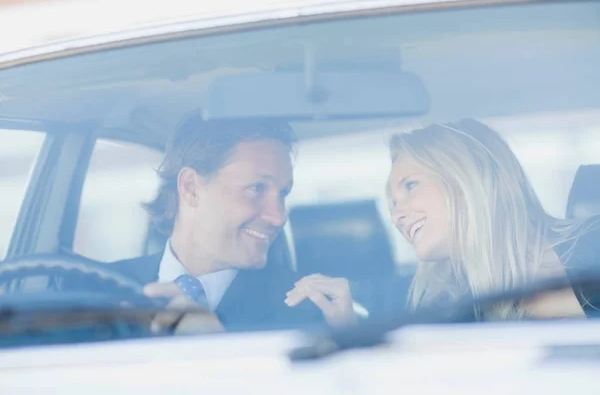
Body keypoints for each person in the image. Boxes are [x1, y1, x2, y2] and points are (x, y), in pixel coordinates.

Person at [109, 111, 356, 332]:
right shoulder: (102, 290)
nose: (278, 218)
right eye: (257, 188)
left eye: (283, 193)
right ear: (191, 188)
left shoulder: (306, 311)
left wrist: (215, 344)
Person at [386, 118, 600, 321]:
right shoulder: (450, 311)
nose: (396, 217)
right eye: (394, 203)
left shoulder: (592, 244)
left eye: (410, 185)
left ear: (468, 177)